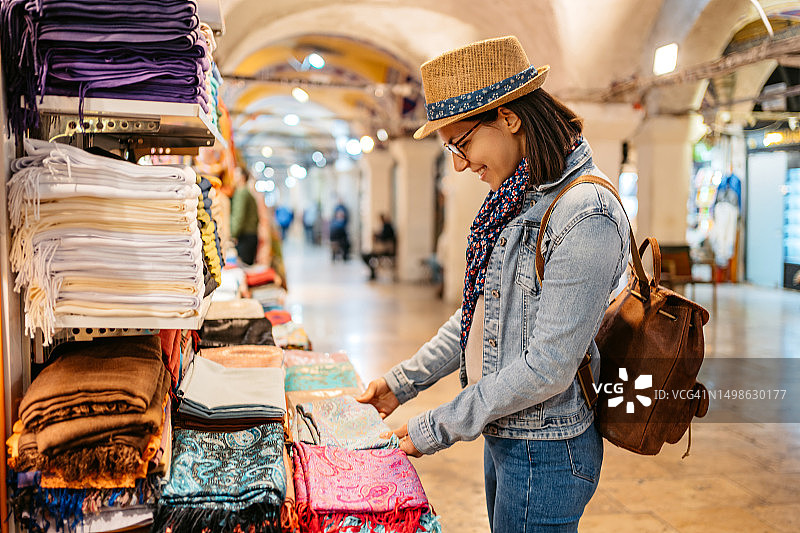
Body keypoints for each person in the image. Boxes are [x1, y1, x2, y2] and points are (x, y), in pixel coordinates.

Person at [357, 36, 630, 532]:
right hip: (507, 431)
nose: (460, 165)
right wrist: (402, 383)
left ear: (508, 118)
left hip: (546, 451)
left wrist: (434, 426)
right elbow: (477, 316)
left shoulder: (584, 213)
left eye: (461, 145)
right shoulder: (518, 199)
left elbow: (548, 367)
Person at [229, 166, 260, 265]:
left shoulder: (241, 192)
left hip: (245, 238)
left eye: (236, 174)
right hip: (251, 236)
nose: (233, 177)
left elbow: (239, 216)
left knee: (243, 268)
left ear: (242, 177)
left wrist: (232, 235)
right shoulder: (247, 192)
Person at [361, 213, 397, 279]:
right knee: (366, 255)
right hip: (384, 249)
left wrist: (377, 236)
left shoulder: (387, 227)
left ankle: (373, 272)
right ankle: (372, 272)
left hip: (386, 250)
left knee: (365, 256)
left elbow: (384, 238)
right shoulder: (386, 227)